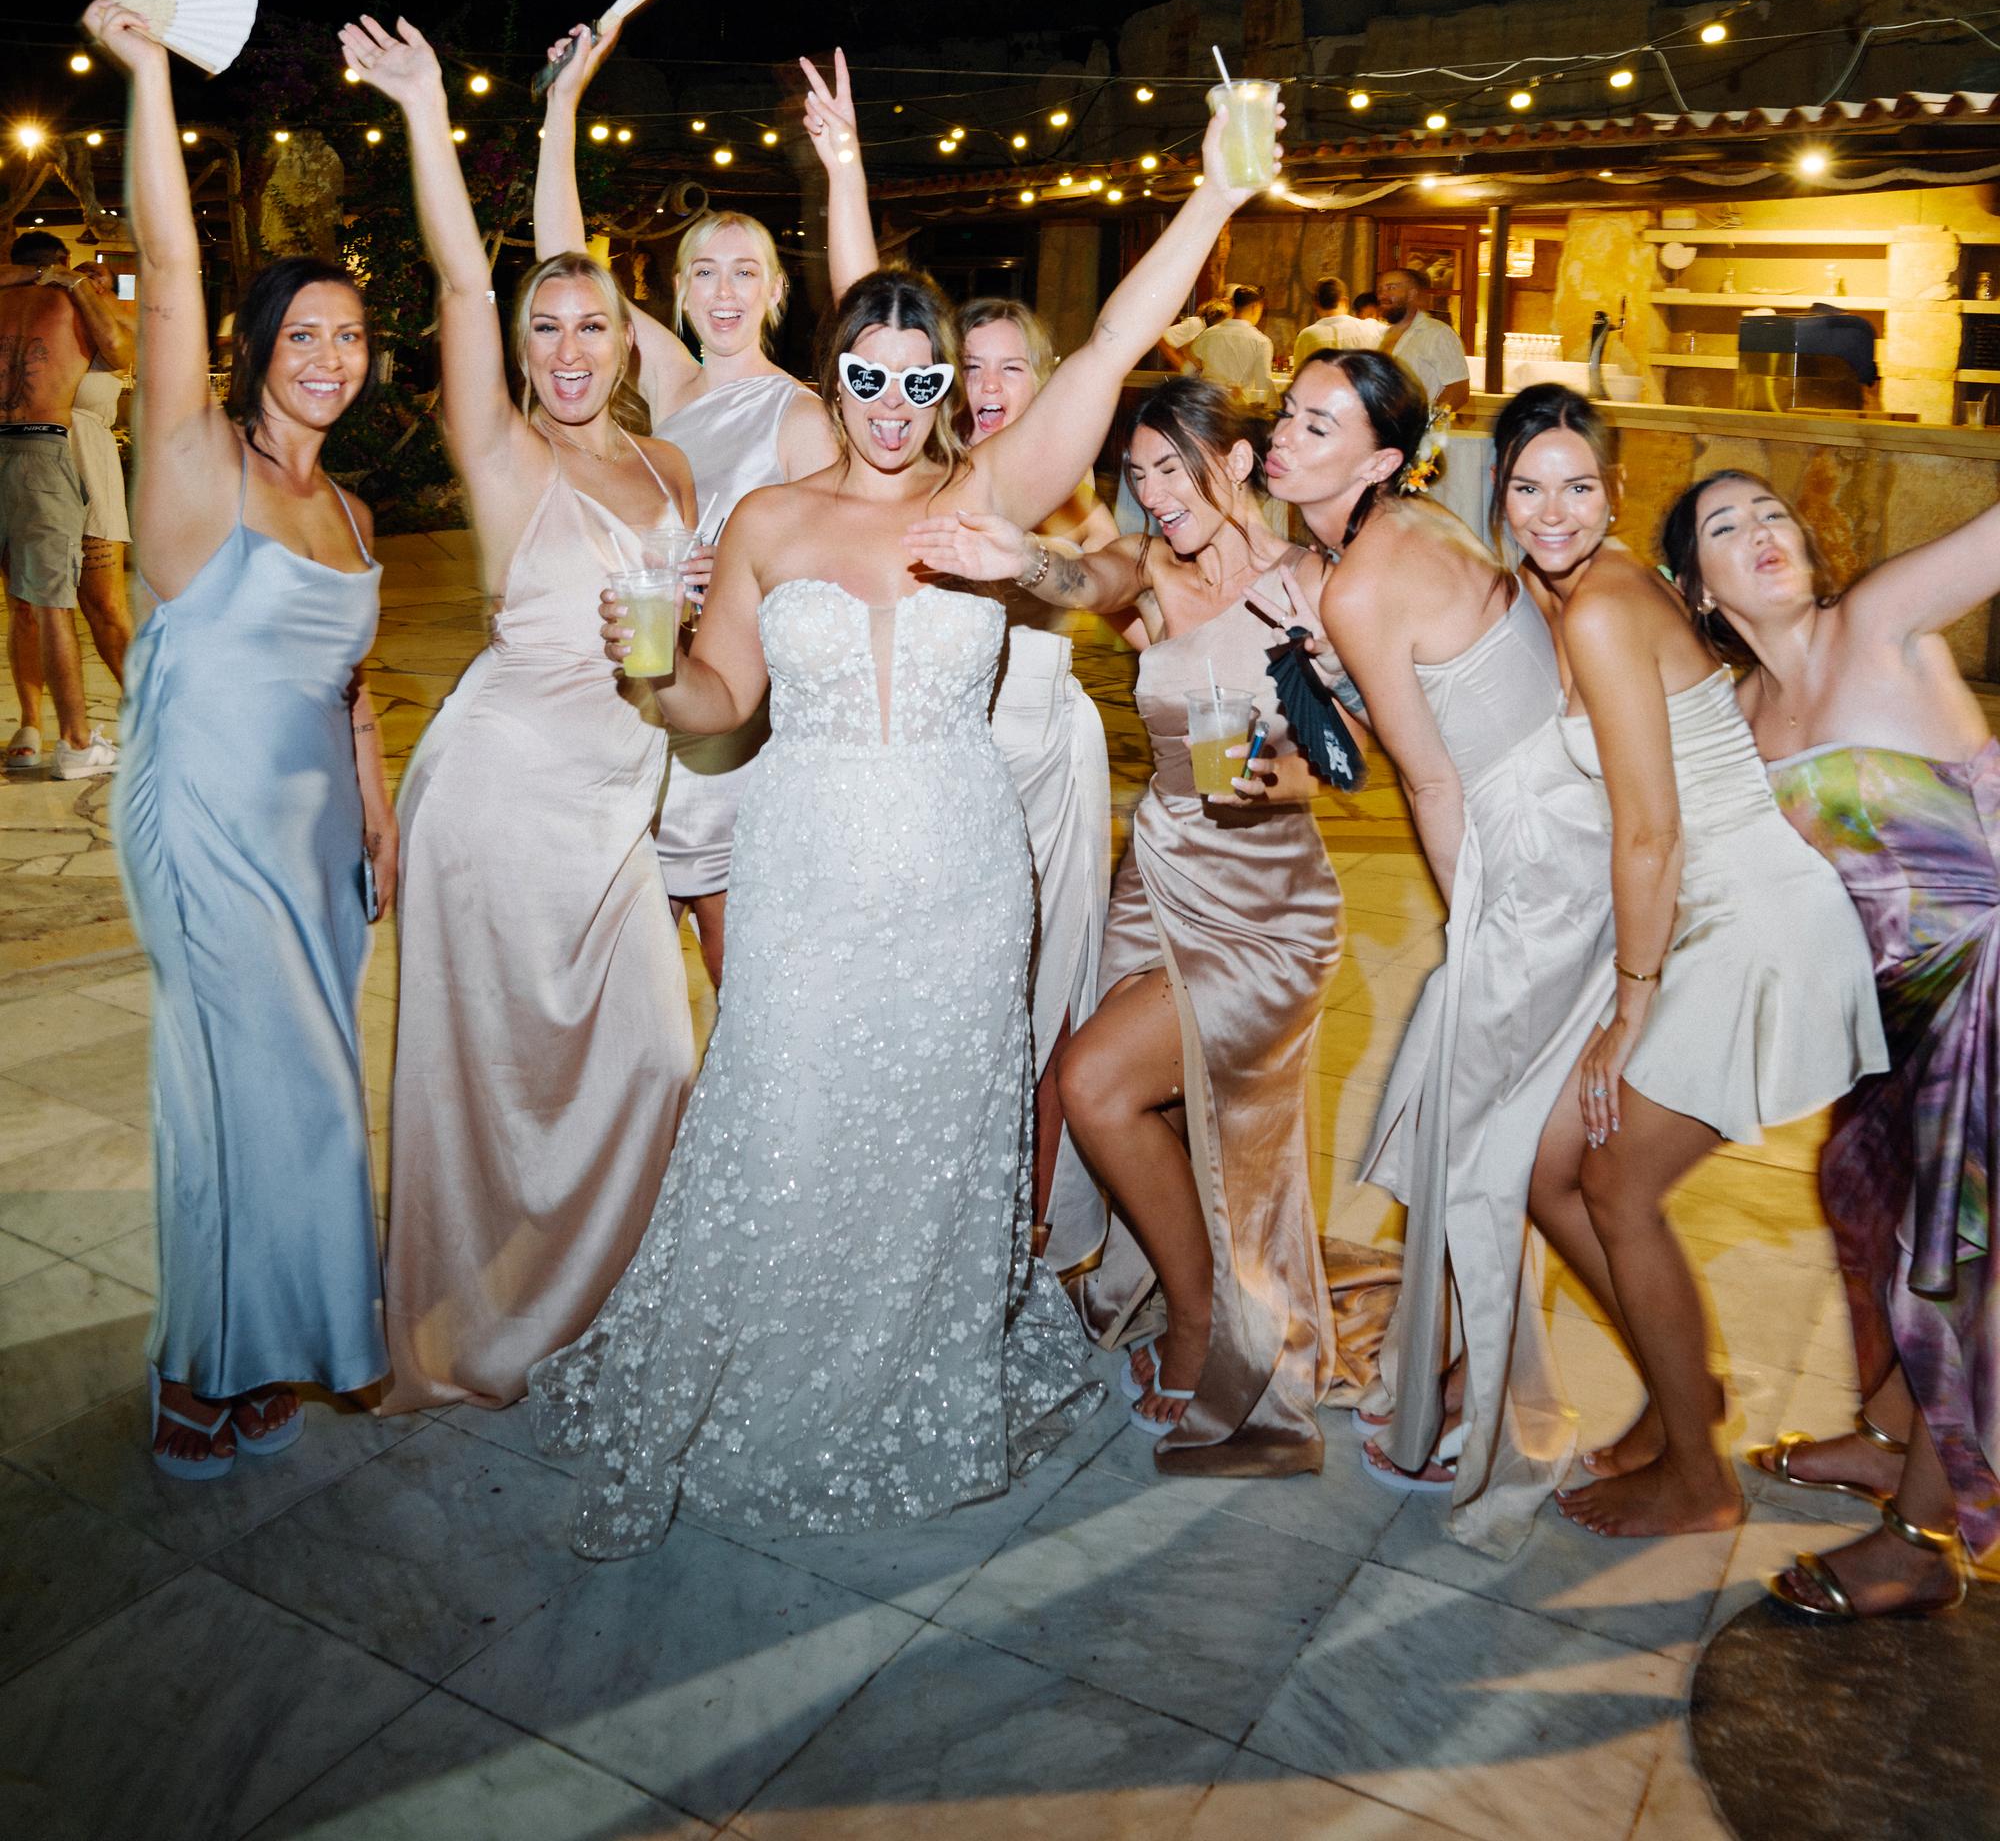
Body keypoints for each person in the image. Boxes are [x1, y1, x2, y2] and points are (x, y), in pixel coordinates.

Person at [530, 92, 1268, 1552]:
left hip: (958, 869)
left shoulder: (992, 492)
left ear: (942, 389)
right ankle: (772, 1360)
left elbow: (1107, 349)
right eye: (864, 375)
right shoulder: (770, 522)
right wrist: (649, 672)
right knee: (788, 1112)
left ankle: (912, 1364)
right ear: (836, 376)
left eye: (916, 378)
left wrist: (1213, 194)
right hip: (803, 864)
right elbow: (718, 702)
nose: (887, 401)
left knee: (937, 1132)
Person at [344, 13, 699, 1415]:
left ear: (625, 340)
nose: (564, 347)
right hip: (497, 797)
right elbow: (453, 271)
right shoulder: (501, 454)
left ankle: (599, 1303)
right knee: (487, 1077)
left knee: (654, 1060)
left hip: (618, 812)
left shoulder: (669, 466)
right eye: (541, 326)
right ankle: (471, 1318)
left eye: (588, 323)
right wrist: (425, 108)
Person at [910, 372, 1343, 1477]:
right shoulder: (1148, 569)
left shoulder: (1311, 586)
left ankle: (1210, 1325)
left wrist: (1288, 776)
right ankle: (1196, 1285)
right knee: (1143, 1101)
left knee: (1097, 1084)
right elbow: (1082, 572)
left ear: (1236, 463)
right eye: (1138, 474)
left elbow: (1351, 748)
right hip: (1158, 882)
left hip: (1266, 902)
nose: (1155, 493)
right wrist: (1023, 559)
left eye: (1173, 468)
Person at [1491, 388, 1886, 1539]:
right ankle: (1681, 1398)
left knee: (1614, 1185)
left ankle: (1696, 1475)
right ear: (1497, 494)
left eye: (1576, 487)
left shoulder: (1603, 606)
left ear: (1614, 495)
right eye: (1526, 488)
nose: (1551, 511)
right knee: (1545, 1167)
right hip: (1709, 910)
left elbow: (1649, 831)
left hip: (1749, 919)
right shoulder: (1575, 596)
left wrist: (1627, 1006)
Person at [86, 0, 393, 1478]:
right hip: (206, 826)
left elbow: (351, 686)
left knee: (299, 1093)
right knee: (237, 1091)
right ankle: (193, 1366)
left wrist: (377, 813)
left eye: (351, 336)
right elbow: (165, 273)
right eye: (304, 333)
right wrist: (148, 76)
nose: (329, 356)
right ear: (258, 346)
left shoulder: (352, 509)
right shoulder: (199, 465)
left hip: (318, 840)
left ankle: (266, 1337)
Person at [1259, 355, 1619, 1553]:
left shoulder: (1363, 575)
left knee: (1480, 1144)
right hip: (1557, 824)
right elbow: (1425, 714)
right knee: (1479, 1132)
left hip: (1530, 862)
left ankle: (1492, 1403)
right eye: (1286, 413)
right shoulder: (1406, 530)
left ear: (1376, 459)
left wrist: (1474, 930)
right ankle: (1462, 1369)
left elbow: (1427, 780)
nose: (1283, 434)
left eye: (1318, 425)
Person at [1666, 470, 2000, 1620]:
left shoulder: (1875, 621)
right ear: (1695, 589)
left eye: (1770, 512)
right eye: (1724, 526)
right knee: (1855, 1197)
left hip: (1985, 981)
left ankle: (1922, 1540)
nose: (1760, 530)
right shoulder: (1735, 716)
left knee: (1949, 1256)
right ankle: (1891, 1432)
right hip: (1889, 1013)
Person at [803, 52, 1116, 1248]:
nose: (983, 387)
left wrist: (1038, 562)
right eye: (965, 367)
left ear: (1040, 379)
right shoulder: (928, 463)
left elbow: (1112, 588)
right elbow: (864, 317)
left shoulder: (1052, 485)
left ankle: (1026, 1223)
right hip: (947, 763)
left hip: (1044, 757)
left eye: (1004, 368)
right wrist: (844, 168)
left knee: (1040, 990)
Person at [538, 15, 837, 987]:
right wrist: (560, 108)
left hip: (737, 714)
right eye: (704, 270)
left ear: (775, 293)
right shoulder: (670, 381)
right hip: (645, 683)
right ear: (676, 290)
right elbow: (562, 268)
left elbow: (836, 575)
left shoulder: (799, 416)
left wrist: (746, 578)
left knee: (732, 954)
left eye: (745, 271)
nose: (723, 289)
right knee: (628, 961)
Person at [5, 237, 134, 766]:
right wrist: (44, 278)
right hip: (37, 458)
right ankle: (34, 724)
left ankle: (146, 712)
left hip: (88, 465)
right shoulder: (30, 302)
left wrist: (83, 287)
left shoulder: (96, 307)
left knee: (104, 604)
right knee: (28, 606)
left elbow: (123, 349)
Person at [1378, 265, 1470, 420]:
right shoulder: (1382, 335)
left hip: (1418, 431)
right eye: (1380, 289)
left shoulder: (1437, 333)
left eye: (1391, 288)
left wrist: (1426, 423)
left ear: (1411, 294)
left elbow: (1458, 391)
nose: (1382, 295)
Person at [1186, 285, 1277, 406]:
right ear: (1255, 307)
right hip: (1237, 408)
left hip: (1208, 405)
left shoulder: (1207, 334)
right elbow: (1264, 386)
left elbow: (1187, 371)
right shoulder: (1261, 342)